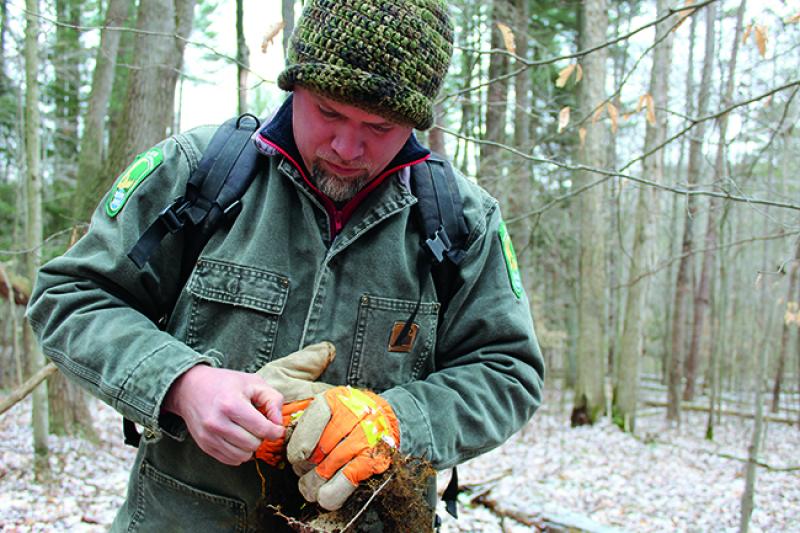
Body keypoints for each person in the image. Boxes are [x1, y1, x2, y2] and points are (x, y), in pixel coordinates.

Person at [27, 0, 545, 530]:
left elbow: (508, 372)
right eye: (329, 112)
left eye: (380, 125)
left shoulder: (461, 221)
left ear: (415, 122)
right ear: (294, 86)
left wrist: (394, 423)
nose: (347, 147)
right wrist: (183, 384)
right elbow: (71, 297)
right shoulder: (197, 174)